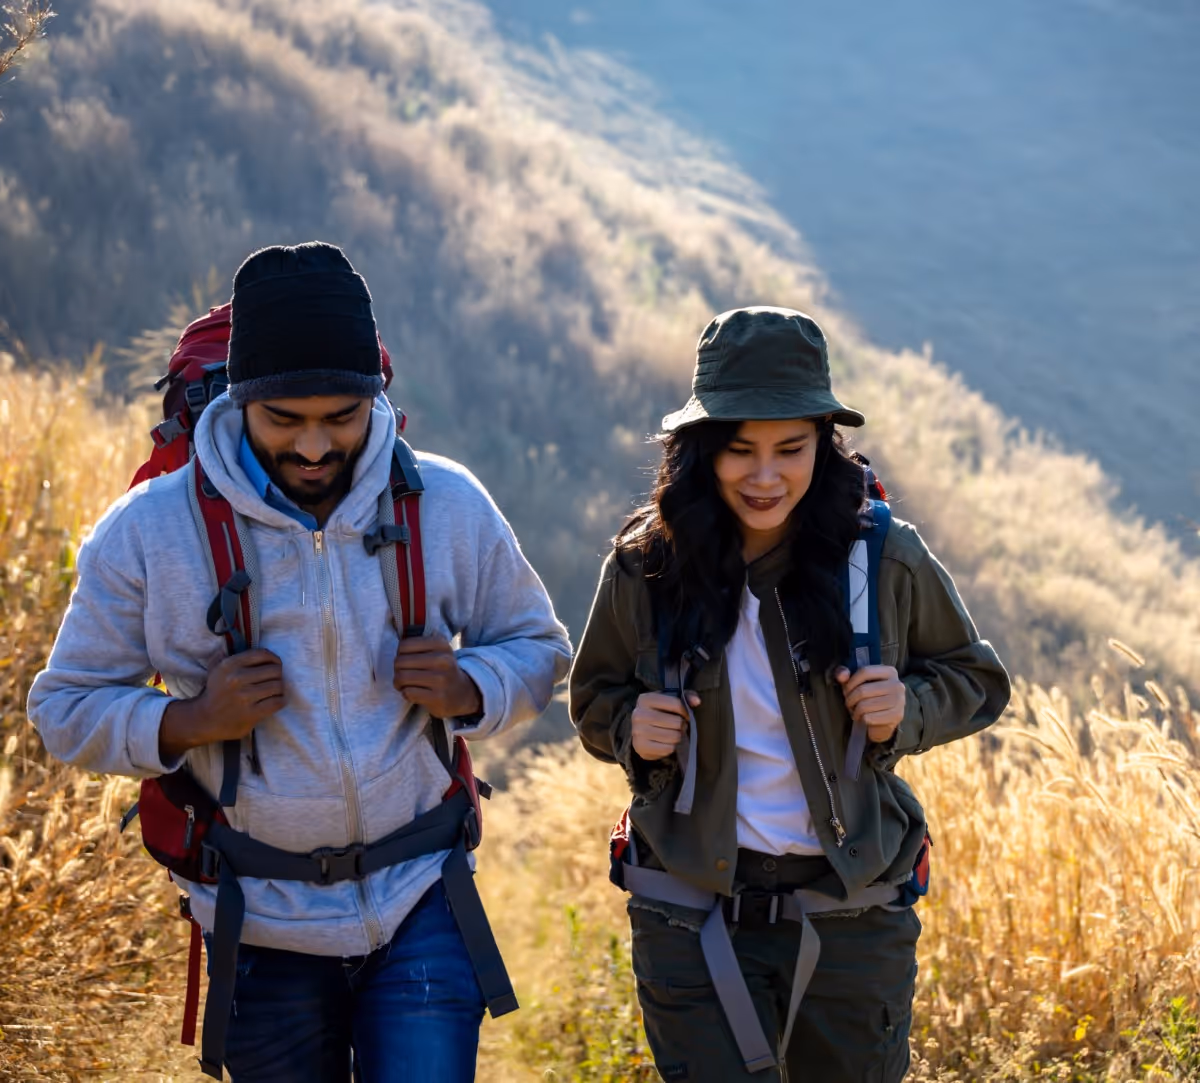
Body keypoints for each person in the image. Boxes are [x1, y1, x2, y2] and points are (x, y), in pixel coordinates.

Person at [28, 242, 572, 1082]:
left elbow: (539, 646)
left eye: (341, 417)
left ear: (376, 397)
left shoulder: (448, 503)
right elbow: (63, 707)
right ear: (239, 399)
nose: (315, 446)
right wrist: (189, 720)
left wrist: (472, 686)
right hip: (257, 921)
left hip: (423, 895)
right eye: (284, 419)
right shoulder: (147, 533)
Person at [569, 306, 1010, 1082]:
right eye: (739, 450)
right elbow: (594, 695)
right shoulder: (647, 564)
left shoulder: (881, 558)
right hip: (690, 913)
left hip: (849, 919)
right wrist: (629, 725)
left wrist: (907, 710)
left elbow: (977, 679)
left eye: (790, 448)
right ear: (700, 453)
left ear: (824, 444)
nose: (764, 475)